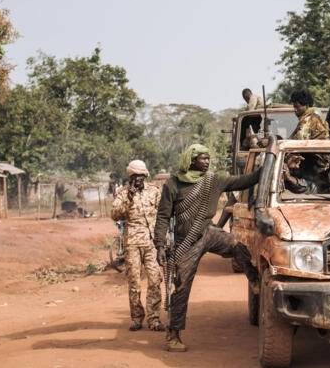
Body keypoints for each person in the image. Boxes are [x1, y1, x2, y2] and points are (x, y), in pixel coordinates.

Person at [153, 144, 261, 352]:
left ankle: (254, 280)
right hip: (186, 242)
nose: (207, 161)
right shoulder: (173, 185)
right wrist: (159, 244)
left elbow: (244, 181)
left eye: (208, 158)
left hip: (208, 233)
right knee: (182, 288)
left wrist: (266, 168)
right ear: (191, 160)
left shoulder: (214, 180)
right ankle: (173, 334)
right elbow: (163, 217)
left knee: (238, 246)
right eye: (203, 158)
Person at [111, 160, 164, 332]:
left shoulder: (155, 191)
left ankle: (154, 318)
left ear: (145, 176)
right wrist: (129, 197)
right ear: (130, 176)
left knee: (155, 279)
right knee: (134, 282)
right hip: (132, 243)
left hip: (151, 243)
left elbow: (163, 214)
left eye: (141, 175)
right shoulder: (123, 193)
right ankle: (136, 318)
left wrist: (164, 239)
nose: (138, 179)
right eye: (135, 176)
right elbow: (115, 215)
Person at [288, 89, 330, 177]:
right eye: (294, 107)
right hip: (319, 160)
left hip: (315, 162)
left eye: (297, 106)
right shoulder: (315, 116)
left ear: (306, 105)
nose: (295, 110)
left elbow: (300, 141)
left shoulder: (309, 119)